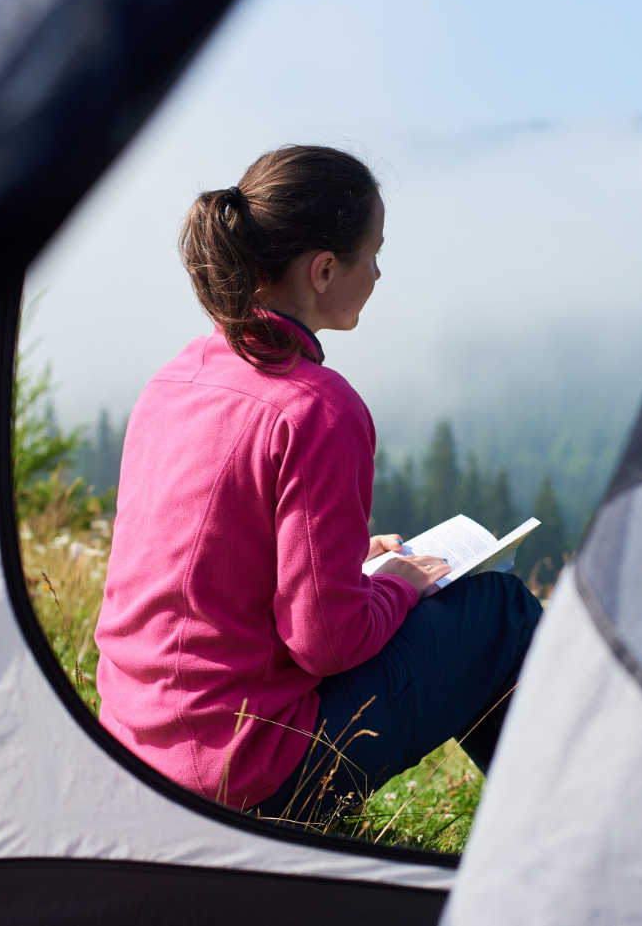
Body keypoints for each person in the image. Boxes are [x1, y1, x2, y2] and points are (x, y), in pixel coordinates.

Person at [94, 145, 542, 823]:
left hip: (134, 757)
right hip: (253, 779)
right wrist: (399, 580)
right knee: (501, 613)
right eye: (373, 253)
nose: (380, 271)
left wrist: (350, 559)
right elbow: (326, 642)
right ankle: (587, 854)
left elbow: (210, 563)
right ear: (324, 269)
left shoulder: (172, 382)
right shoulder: (317, 408)